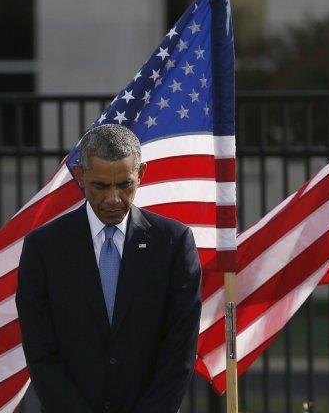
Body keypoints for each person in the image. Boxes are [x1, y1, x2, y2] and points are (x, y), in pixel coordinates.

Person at [15, 124, 202, 413]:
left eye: (124, 185)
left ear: (140, 175)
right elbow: (41, 353)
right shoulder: (43, 249)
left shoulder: (173, 244)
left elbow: (179, 351)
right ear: (80, 176)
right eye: (101, 186)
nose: (113, 198)